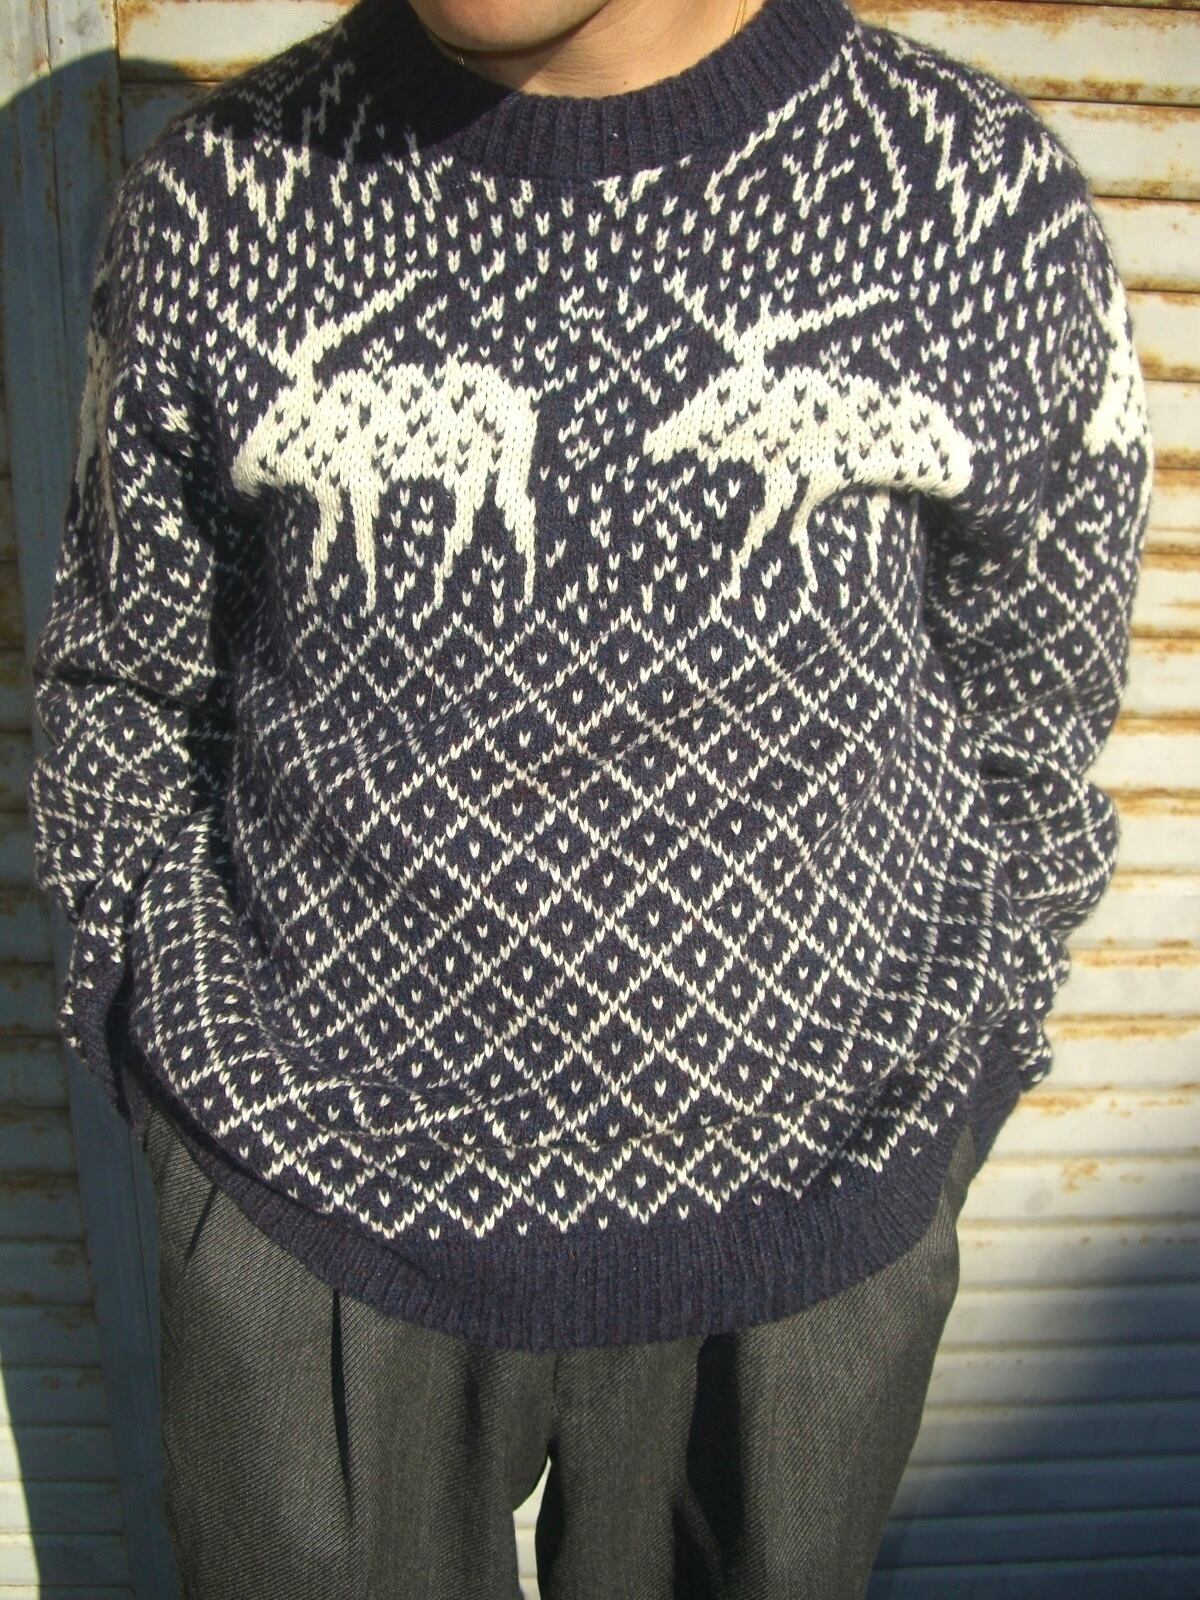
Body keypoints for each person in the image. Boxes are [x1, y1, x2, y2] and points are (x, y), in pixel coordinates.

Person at [26, 0, 1154, 1593]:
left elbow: (1036, 707)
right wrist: (180, 1109)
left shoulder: (974, 195)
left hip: (813, 1222)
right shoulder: (219, 196)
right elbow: (127, 680)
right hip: (304, 1208)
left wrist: (953, 1075)